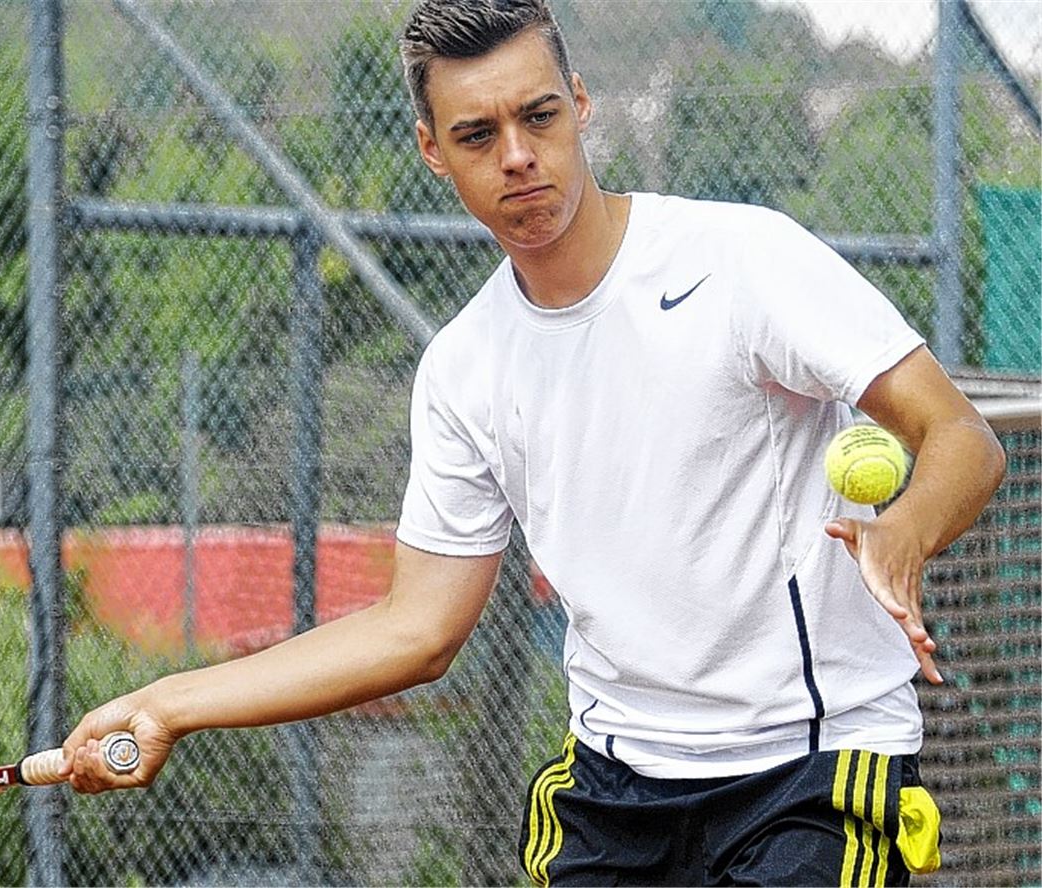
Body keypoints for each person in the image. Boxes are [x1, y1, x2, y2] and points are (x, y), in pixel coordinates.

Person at [63, 1, 1007, 884]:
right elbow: (415, 630)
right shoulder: (465, 368)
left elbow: (959, 434)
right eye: (478, 134)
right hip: (614, 786)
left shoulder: (741, 261)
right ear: (435, 151)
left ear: (582, 104)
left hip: (812, 770)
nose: (518, 155)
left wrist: (905, 531)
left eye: (539, 116)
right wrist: (169, 704)